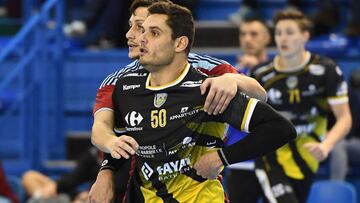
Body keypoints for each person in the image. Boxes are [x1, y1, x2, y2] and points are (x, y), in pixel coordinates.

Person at [94, 2, 296, 202]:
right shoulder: (123, 86)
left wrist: (222, 157)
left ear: (179, 43)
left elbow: (277, 123)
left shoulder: (207, 86)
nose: (137, 37)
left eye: (151, 32)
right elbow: (109, 133)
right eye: (140, 29)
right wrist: (106, 170)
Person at [250, 9, 352, 203]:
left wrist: (326, 145)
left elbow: (344, 118)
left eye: (289, 32)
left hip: (306, 160)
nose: (283, 38)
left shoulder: (326, 71)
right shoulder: (261, 75)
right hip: (271, 159)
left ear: (305, 36)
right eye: (278, 33)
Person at [225, 17, 271, 203]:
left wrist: (257, 70)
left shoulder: (277, 73)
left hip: (272, 161)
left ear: (267, 38)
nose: (247, 39)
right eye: (243, 34)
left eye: (254, 34)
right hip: (240, 162)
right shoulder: (230, 75)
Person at [22, 147, 130, 203]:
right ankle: (41, 199)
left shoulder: (127, 156)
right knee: (30, 177)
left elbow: (119, 186)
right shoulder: (93, 155)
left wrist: (86, 196)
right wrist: (54, 187)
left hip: (98, 198)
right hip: (80, 196)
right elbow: (74, 178)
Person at [330, 69, 360, 180]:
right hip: (347, 142)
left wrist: (332, 135)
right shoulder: (327, 98)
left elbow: (349, 130)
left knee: (338, 144)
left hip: (353, 140)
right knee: (338, 145)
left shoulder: (352, 99)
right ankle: (337, 190)